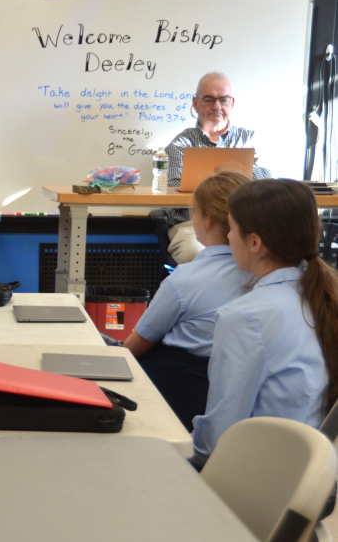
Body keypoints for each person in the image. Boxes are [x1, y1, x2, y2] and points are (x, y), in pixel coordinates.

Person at [190, 179, 338, 469]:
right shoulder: (323, 295)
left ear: (255, 242)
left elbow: (217, 440)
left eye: (231, 228)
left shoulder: (245, 316)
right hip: (314, 475)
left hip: (260, 481)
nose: (229, 236)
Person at [123, 172, 251, 430]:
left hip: (180, 398)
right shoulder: (265, 276)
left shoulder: (185, 280)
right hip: (235, 402)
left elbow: (135, 346)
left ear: (206, 219)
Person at [163, 72, 272, 264]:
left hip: (243, 224)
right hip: (193, 223)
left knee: (267, 253)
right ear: (195, 103)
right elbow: (175, 190)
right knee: (195, 255)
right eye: (209, 100)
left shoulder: (248, 139)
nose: (217, 106)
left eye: (223, 99)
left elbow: (267, 182)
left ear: (232, 103)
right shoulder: (181, 143)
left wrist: (224, 173)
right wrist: (233, 179)